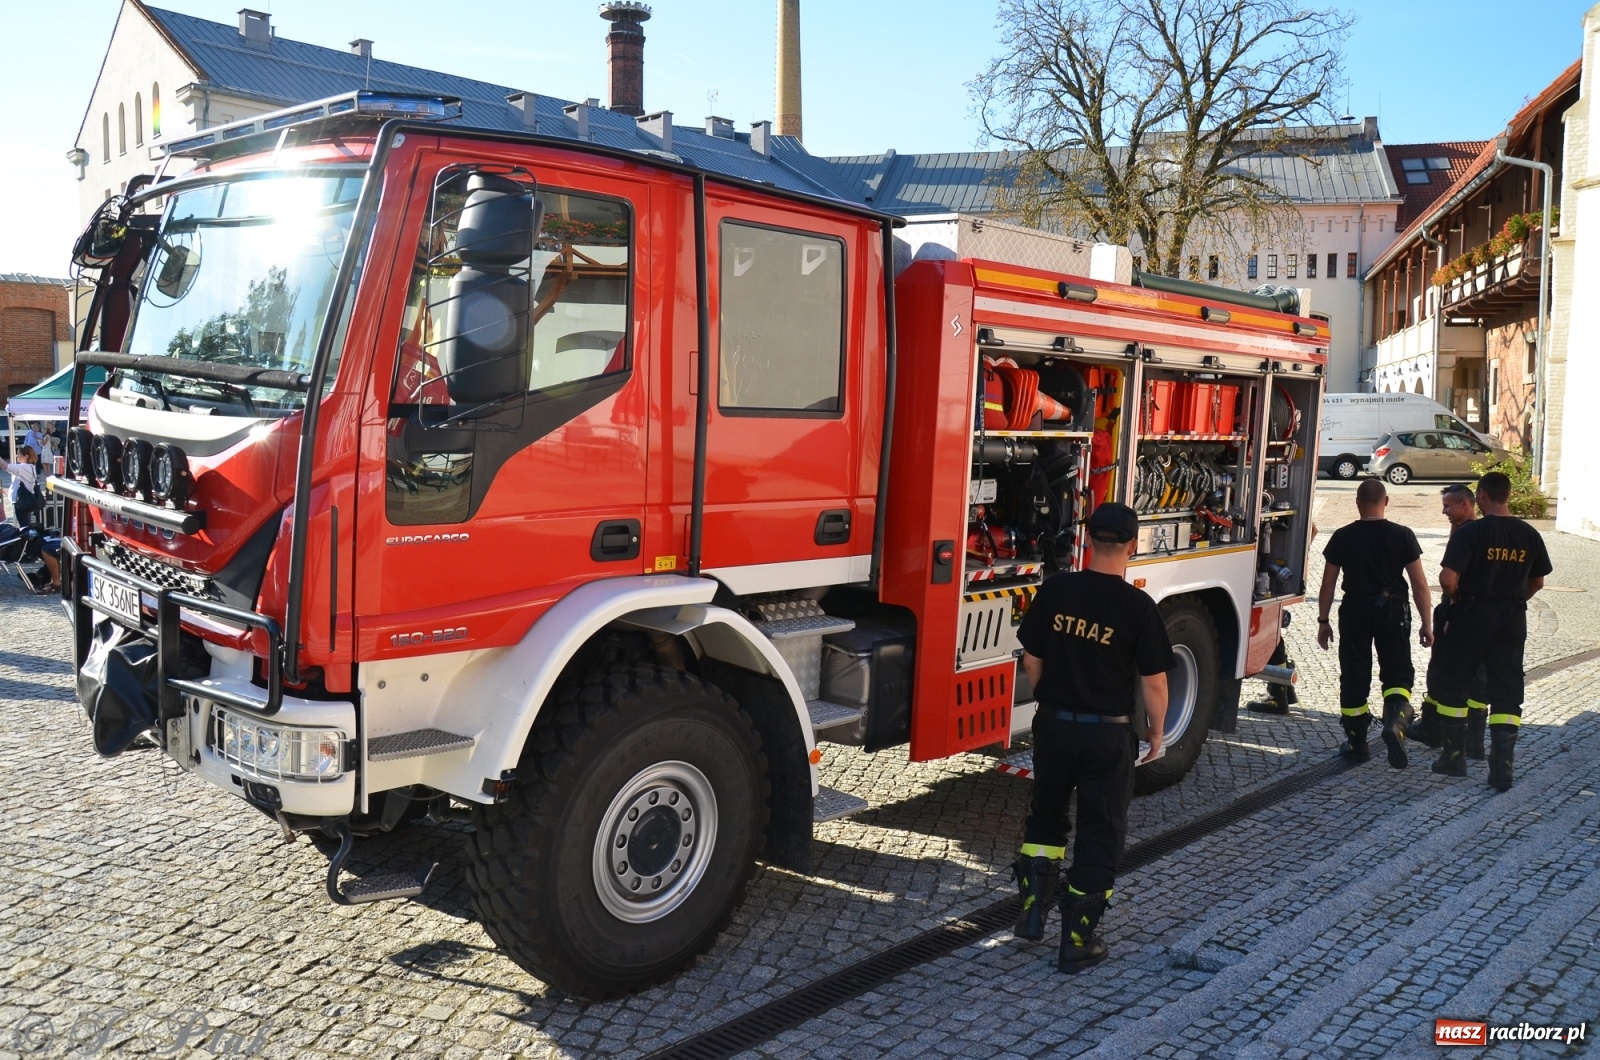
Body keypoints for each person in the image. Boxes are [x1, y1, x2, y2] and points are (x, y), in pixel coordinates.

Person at [1011, 502, 1172, 973]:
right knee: (1101, 831)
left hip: (1055, 726)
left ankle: (1032, 911)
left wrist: (1053, 703)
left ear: (1088, 541)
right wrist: (1156, 730)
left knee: (1046, 818)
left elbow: (1031, 661)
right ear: (1132, 546)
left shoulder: (1057, 591)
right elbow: (1154, 681)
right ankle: (1077, 940)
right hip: (1109, 735)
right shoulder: (1137, 607)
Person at [1428, 471, 1550, 790]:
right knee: (1507, 690)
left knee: (1455, 684)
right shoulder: (1529, 534)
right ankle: (1501, 770)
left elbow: (1447, 579)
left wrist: (1457, 600)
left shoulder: (1473, 533)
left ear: (1481, 496)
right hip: (1511, 616)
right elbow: (1538, 582)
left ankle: (1454, 757)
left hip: (1472, 612)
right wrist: (1512, 600)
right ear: (1508, 495)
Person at [1316, 479, 1433, 767]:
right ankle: (1395, 724)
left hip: (1355, 609)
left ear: (1357, 503)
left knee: (1354, 674)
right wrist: (1426, 623)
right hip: (1392, 609)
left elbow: (1327, 585)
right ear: (1386, 501)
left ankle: (1357, 743)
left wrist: (1323, 620)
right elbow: (1419, 585)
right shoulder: (1403, 535)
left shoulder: (1342, 537)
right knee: (1397, 672)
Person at [1409, 485, 1489, 755]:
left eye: (1448, 506)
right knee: (1479, 674)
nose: (1444, 510)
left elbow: (1448, 578)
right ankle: (1475, 742)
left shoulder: (1467, 533)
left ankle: (1433, 729)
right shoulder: (1480, 531)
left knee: (1443, 670)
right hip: (1483, 614)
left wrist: (1452, 604)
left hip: (1458, 608)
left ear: (1466, 504)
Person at [4, 444, 43, 528]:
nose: (17, 456)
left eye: (19, 455)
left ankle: (29, 540)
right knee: (25, 524)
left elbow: (6, 466)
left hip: (21, 501)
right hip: (24, 499)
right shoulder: (30, 467)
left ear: (26, 456)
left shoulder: (24, 467)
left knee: (24, 526)